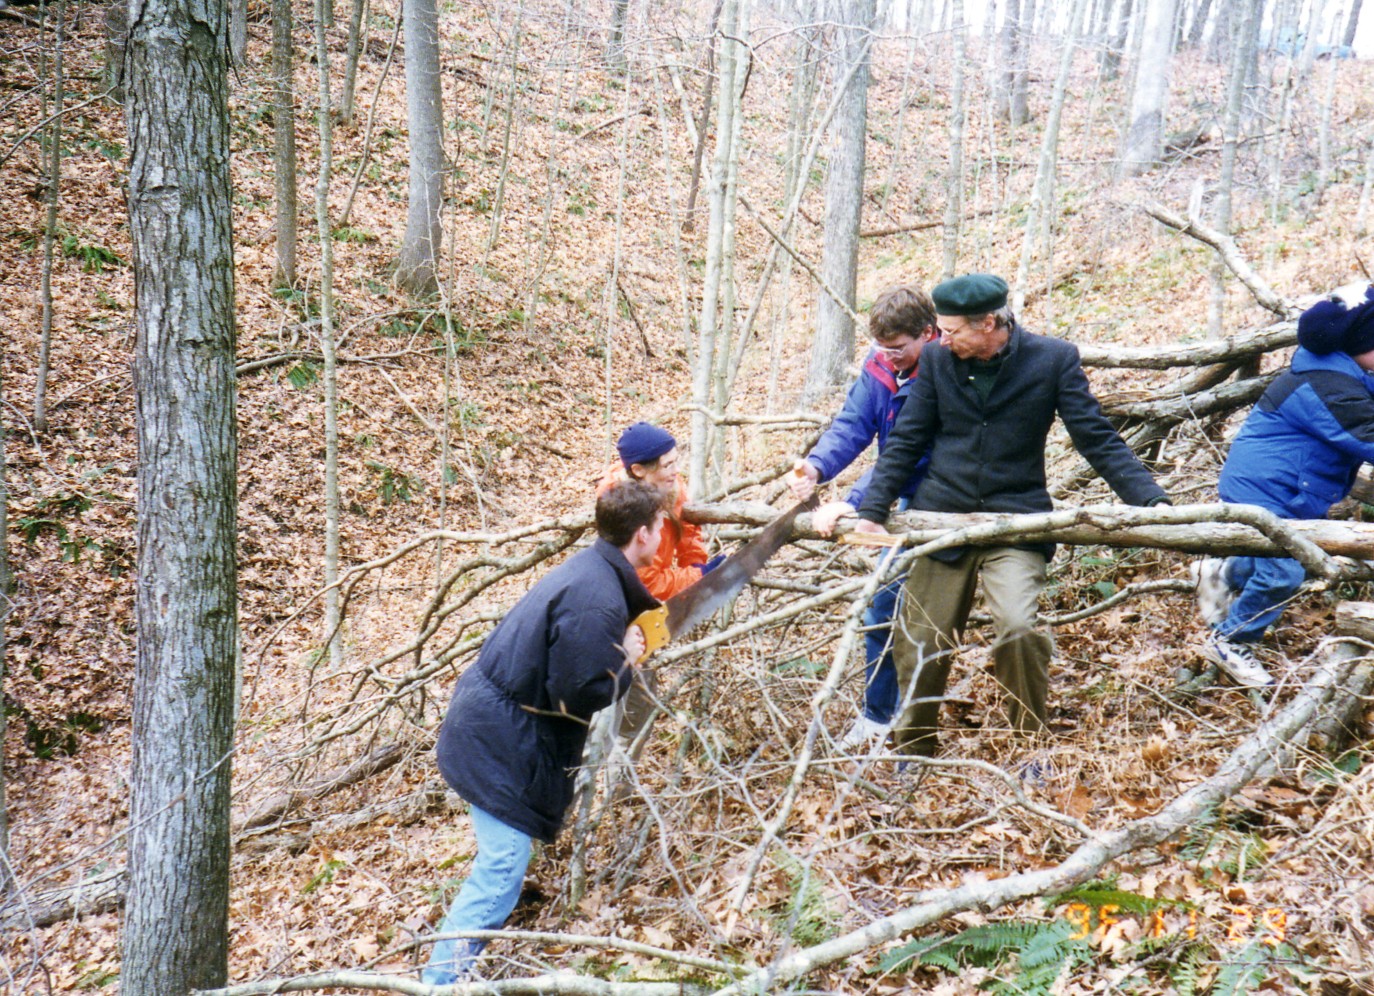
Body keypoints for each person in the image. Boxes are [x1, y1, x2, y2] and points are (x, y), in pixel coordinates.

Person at [851, 274, 1170, 759]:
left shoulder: (1052, 359)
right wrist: (873, 511)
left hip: (1017, 522)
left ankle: (1031, 747)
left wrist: (1151, 502)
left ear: (988, 323)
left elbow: (1096, 437)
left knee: (1019, 629)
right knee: (920, 638)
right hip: (942, 520)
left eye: (953, 329)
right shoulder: (938, 360)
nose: (944, 338)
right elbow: (907, 441)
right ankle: (913, 752)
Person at [423, 479, 663, 984]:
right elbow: (577, 691)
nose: (665, 534)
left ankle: (447, 976)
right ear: (642, 535)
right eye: (661, 526)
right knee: (501, 871)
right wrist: (627, 662)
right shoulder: (597, 597)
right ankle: (437, 985)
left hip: (496, 728)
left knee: (501, 867)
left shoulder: (592, 572)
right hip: (500, 741)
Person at [1194, 281, 1374, 687]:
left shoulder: (1341, 370)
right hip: (1264, 491)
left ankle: (1223, 574)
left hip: (1283, 487)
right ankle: (1230, 640)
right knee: (1283, 574)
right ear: (1357, 346)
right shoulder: (1329, 389)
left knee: (1269, 558)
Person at [787, 284, 939, 748]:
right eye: (881, 348)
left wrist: (853, 502)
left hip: (937, 498)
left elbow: (914, 454)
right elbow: (853, 425)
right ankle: (878, 716)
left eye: (898, 348)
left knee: (912, 608)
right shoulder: (879, 367)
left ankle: (910, 721)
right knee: (881, 604)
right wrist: (815, 466)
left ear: (927, 334)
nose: (889, 357)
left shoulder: (944, 370)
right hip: (891, 500)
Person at [597, 422, 723, 600]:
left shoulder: (669, 484)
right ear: (638, 470)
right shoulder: (623, 509)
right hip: (626, 601)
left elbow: (688, 532)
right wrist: (698, 577)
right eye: (668, 465)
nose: (676, 471)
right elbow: (647, 583)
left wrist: (696, 568)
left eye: (675, 462)